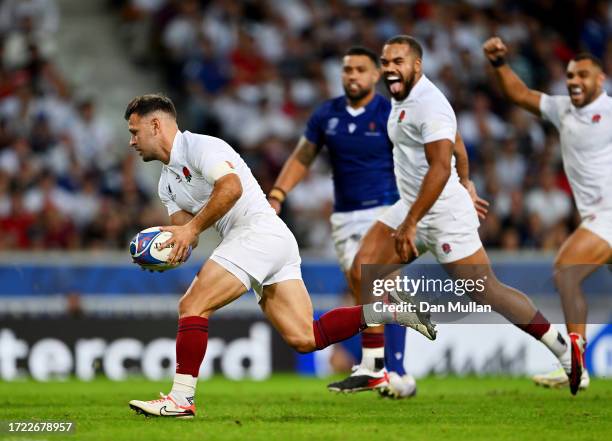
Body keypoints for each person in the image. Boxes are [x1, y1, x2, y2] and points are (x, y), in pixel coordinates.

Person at [124, 94, 434, 418]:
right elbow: (188, 231)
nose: (132, 141)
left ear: (156, 124)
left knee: (192, 305)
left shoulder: (201, 147)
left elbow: (231, 189)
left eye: (135, 131)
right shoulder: (166, 183)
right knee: (305, 338)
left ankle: (180, 399)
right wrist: (170, 252)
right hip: (268, 240)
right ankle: (390, 312)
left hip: (257, 232)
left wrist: (189, 231)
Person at [348, 35, 579, 395]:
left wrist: (418, 218)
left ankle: (563, 350)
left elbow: (440, 168)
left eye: (399, 62)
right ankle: (376, 366)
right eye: (386, 61)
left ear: (417, 66)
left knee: (487, 292)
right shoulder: (401, 96)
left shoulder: (429, 103)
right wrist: (468, 181)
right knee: (364, 267)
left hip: (441, 214)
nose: (390, 68)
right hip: (412, 204)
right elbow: (456, 145)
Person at [270, 46, 486, 397]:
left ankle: (392, 371)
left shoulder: (392, 111)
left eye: (360, 69)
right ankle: (392, 366)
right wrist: (278, 193)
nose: (352, 75)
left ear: (374, 76)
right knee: (364, 294)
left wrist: (463, 188)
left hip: (386, 209)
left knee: (379, 284)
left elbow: (448, 147)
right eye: (347, 69)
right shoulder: (327, 115)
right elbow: (303, 156)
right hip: (343, 217)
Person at [483, 36, 612, 392]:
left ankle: (576, 364)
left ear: (599, 80)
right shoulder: (562, 108)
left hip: (609, 215)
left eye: (583, 75)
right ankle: (578, 364)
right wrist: (499, 64)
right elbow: (519, 94)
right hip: (596, 220)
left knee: (566, 270)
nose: (574, 81)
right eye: (571, 75)